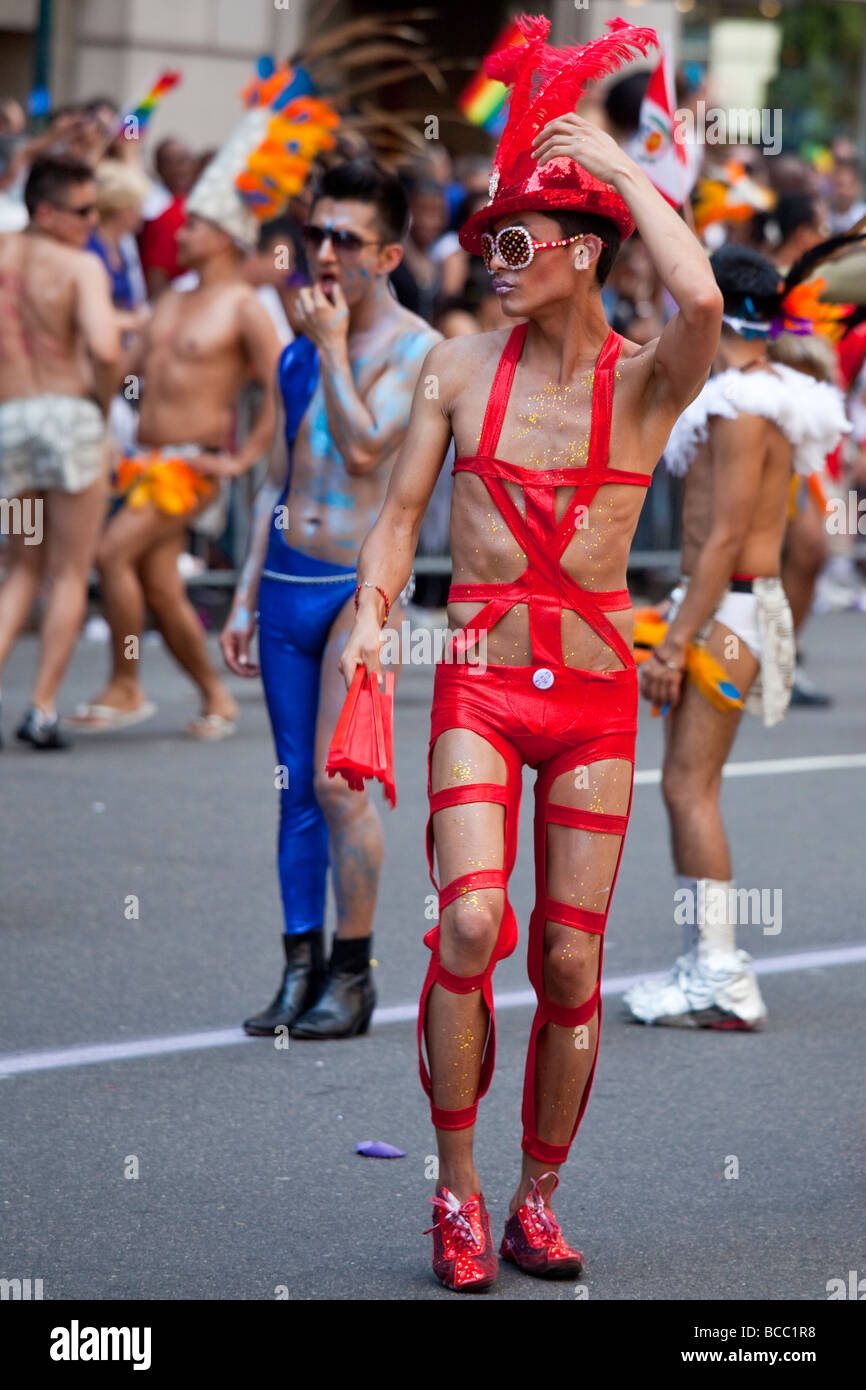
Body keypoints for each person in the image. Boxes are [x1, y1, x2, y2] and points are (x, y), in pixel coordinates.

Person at [338, 14, 722, 1291]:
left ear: (584, 250)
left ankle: (534, 1196)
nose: (492, 259)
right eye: (486, 241)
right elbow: (397, 520)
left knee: (567, 958)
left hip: (599, 694)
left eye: (517, 242)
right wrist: (369, 627)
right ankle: (451, 1194)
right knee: (469, 923)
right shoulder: (456, 365)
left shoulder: (645, 378)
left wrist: (615, 170)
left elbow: (706, 294)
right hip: (481, 680)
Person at [221, 159, 439, 1040]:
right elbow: (282, 474)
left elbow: (363, 451)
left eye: (343, 239)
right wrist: (240, 597)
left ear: (386, 253)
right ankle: (298, 968)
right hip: (282, 583)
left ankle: (354, 975)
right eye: (314, 234)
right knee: (291, 790)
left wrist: (336, 344)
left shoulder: (419, 349)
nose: (321, 253)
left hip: (361, 588)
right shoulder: (295, 348)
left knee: (338, 783)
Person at [624, 244, 849, 1032]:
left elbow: (722, 541)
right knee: (688, 787)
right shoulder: (761, 396)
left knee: (689, 788)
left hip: (724, 616)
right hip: (730, 611)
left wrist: (669, 641)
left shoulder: (743, 405)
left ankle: (721, 974)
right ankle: (708, 965)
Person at [68, 124, 282, 741]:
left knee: (111, 554)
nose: (177, 234)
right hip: (146, 460)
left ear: (223, 237)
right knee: (160, 584)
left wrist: (243, 460)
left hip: (193, 466)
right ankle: (217, 697)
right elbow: (121, 371)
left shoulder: (244, 306)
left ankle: (127, 684)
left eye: (190, 226)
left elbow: (279, 386)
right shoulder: (169, 303)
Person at [0, 154, 121, 748]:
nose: (93, 220)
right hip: (70, 422)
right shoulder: (80, 266)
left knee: (21, 565)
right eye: (81, 210)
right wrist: (102, 404)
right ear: (45, 212)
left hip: (10, 425)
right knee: (71, 570)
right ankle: (41, 708)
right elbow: (104, 347)